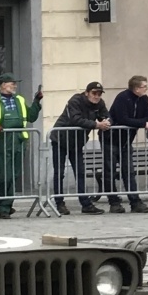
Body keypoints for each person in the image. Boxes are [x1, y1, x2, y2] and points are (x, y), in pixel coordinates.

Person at [0, 74, 42, 218]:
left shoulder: (20, 100)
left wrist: (36, 101)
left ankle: (5, 204)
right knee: (5, 175)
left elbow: (31, 117)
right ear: (2, 84)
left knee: (14, 175)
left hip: (18, 139)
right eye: (12, 83)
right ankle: (4, 207)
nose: (15, 85)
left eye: (15, 83)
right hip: (1, 139)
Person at [50, 82, 111, 215]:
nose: (97, 96)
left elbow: (106, 115)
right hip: (60, 139)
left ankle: (86, 204)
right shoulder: (75, 100)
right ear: (87, 93)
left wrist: (107, 122)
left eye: (99, 94)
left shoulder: (99, 104)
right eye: (94, 93)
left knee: (80, 172)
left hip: (77, 142)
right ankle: (60, 203)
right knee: (59, 173)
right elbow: (76, 119)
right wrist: (97, 124)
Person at [107, 75, 148, 213]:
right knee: (110, 172)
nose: (146, 89)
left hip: (127, 141)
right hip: (111, 139)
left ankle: (135, 202)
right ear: (136, 88)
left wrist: (142, 121)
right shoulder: (122, 97)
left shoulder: (144, 99)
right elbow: (122, 119)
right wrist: (141, 123)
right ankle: (114, 202)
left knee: (129, 171)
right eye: (144, 86)